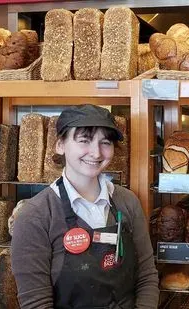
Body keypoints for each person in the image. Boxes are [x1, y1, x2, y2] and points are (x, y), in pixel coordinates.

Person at [11, 104, 159, 309]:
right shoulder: (35, 216)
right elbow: (36, 302)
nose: (96, 152)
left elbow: (146, 277)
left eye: (105, 142)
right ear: (60, 144)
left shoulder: (127, 202)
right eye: (84, 140)